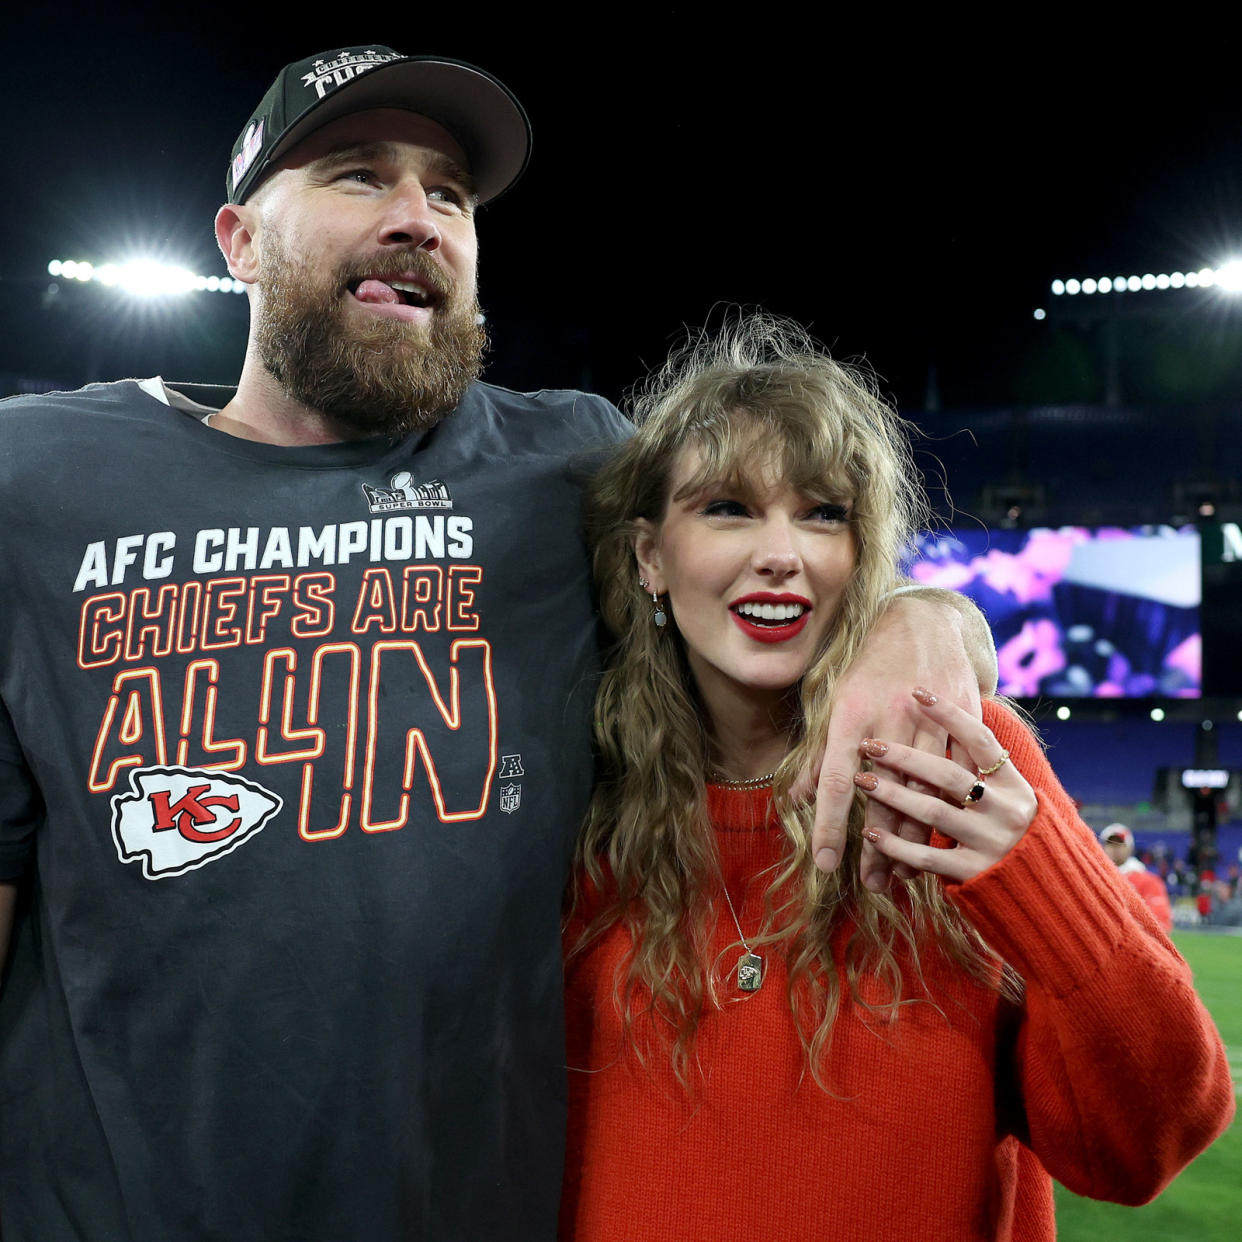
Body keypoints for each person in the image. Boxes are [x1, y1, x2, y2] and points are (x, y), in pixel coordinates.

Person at [0, 47, 990, 1242]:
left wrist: (924, 619)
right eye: (359, 176)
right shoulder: (38, 481)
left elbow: (772, 551)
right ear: (239, 240)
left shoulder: (565, 465)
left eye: (452, 194)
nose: (418, 216)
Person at [561, 315, 1233, 1241]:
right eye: (727, 507)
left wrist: (1038, 875)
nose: (782, 553)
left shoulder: (955, 754)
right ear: (649, 558)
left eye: (824, 513)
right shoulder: (572, 795)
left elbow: (1141, 1147)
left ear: (862, 555)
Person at [1100, 822, 1174, 931]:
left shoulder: (1148, 880)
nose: (1115, 848)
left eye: (1120, 843)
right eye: (1110, 843)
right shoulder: (1094, 876)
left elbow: (1161, 922)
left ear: (1130, 848)